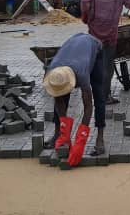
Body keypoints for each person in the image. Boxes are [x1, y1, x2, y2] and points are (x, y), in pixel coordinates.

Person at [43, 33, 107, 166]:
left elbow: (88, 107)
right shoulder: (52, 72)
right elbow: (58, 101)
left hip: (94, 48)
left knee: (99, 94)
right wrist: (64, 131)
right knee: (61, 97)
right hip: (74, 44)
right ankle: (58, 134)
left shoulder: (82, 74)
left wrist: (81, 139)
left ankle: (100, 138)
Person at [81, 0, 130, 105]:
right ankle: (105, 96)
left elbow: (84, 2)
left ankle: (93, 93)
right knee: (108, 67)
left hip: (94, 35)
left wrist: (86, 18)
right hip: (110, 36)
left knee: (95, 65)